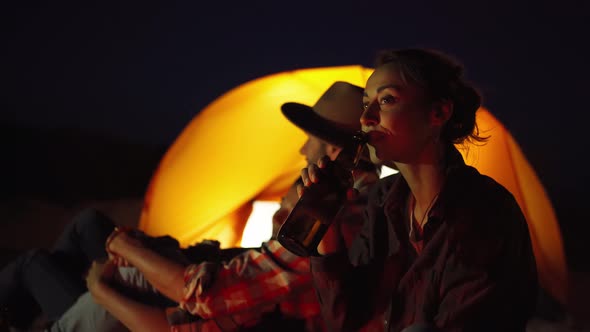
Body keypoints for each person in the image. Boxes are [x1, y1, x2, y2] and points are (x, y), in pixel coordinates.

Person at [51, 81, 382, 331]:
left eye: (311, 139)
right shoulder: (364, 204)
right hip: (223, 289)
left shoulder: (329, 217)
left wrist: (114, 257)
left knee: (109, 264)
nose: (301, 150)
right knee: (89, 236)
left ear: (335, 153)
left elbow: (205, 298)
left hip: (211, 301)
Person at [302, 49, 538, 331]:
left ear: (438, 113)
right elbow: (345, 321)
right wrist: (327, 233)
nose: (366, 118)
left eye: (387, 100)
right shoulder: (383, 200)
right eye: (366, 104)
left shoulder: (486, 211)